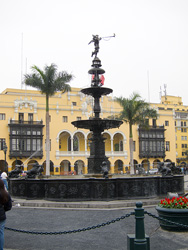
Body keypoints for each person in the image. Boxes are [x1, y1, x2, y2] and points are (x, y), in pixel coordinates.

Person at [0, 179, 12, 250]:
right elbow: (9, 206)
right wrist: (3, 210)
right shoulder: (5, 194)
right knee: (1, 233)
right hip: (1, 216)